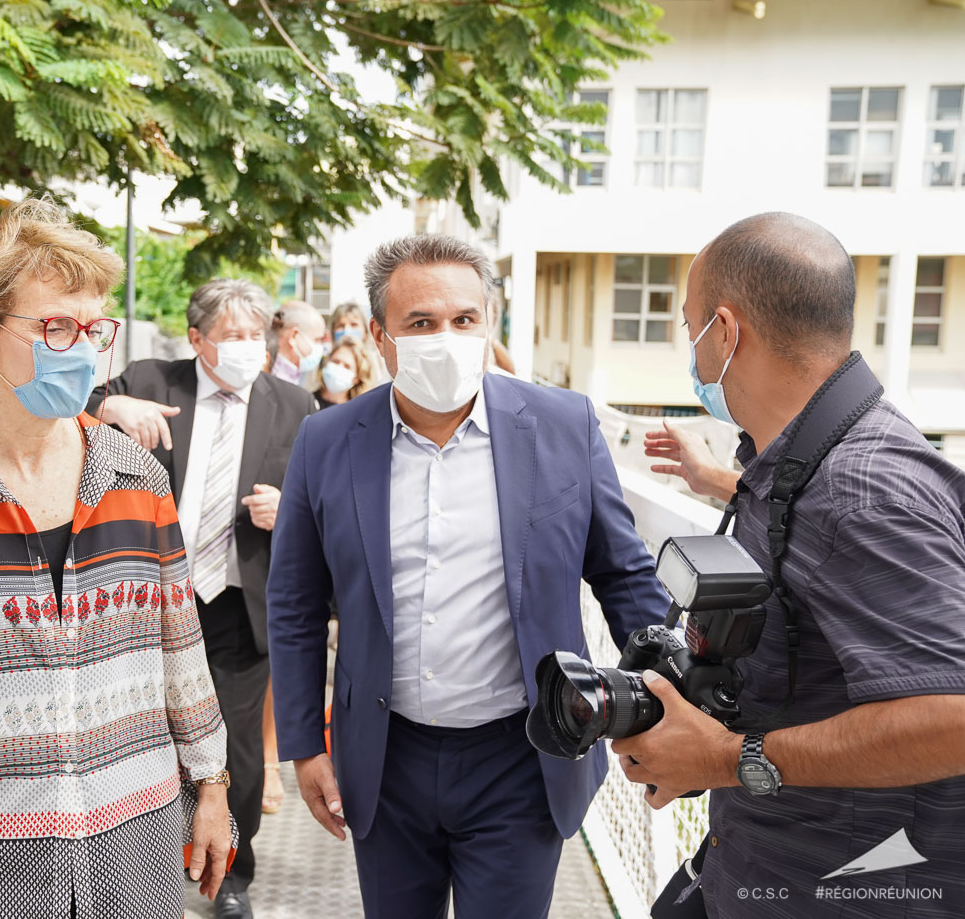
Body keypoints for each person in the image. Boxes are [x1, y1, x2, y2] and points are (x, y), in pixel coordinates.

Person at [0, 199, 232, 919]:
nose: (80, 349)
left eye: (93, 329)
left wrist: (212, 785)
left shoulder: (136, 478)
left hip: (136, 845)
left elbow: (181, 647)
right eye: (55, 326)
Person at [266, 233, 668, 918]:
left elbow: (624, 574)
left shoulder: (562, 425)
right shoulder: (327, 440)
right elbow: (295, 602)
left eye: (464, 319)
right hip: (385, 759)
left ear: (489, 322)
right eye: (420, 322)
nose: (444, 337)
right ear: (379, 334)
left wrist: (665, 705)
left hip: (523, 756)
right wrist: (304, 744)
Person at [622, 212, 965, 917]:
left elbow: (954, 714)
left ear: (725, 330)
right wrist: (717, 482)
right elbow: (816, 540)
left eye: (689, 329)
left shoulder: (861, 489)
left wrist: (723, 756)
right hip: (758, 870)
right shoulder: (808, 464)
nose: (689, 349)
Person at [87, 279, 315, 919]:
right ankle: (148, 867)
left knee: (236, 747)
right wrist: (109, 410)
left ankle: (233, 877)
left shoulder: (296, 406)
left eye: (256, 337)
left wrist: (291, 512)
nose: (248, 349)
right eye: (232, 337)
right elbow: (57, 403)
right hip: (152, 603)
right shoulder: (152, 382)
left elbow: (329, 502)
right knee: (145, 740)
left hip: (240, 605)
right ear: (197, 340)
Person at [268, 300, 328, 386]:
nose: (320, 346)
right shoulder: (270, 376)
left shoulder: (296, 375)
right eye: (317, 340)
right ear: (294, 336)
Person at [314, 336, 378, 408]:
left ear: (356, 378)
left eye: (347, 366)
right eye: (336, 361)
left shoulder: (357, 412)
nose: (339, 368)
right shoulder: (308, 401)